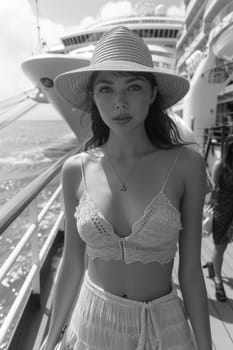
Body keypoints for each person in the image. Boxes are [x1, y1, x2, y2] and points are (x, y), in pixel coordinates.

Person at [41, 26, 212, 350]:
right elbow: (73, 264)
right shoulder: (75, 170)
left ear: (151, 94)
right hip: (90, 326)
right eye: (106, 89)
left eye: (133, 87)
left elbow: (190, 273)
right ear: (93, 97)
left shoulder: (185, 165)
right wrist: (50, 340)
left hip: (163, 330)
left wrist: (207, 346)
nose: (120, 102)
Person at [205, 135, 233, 302]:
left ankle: (211, 264)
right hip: (222, 211)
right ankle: (218, 281)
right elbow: (214, 189)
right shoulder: (220, 165)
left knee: (222, 247)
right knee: (220, 247)